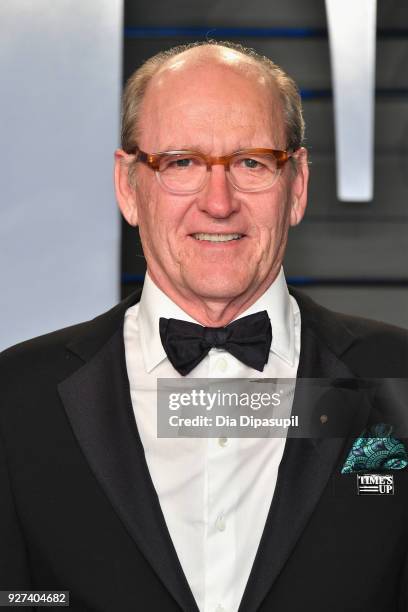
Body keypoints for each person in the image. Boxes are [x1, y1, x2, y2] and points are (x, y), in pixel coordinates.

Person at [1, 41, 407, 612]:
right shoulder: (17, 398)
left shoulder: (395, 380)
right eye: (181, 162)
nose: (219, 203)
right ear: (128, 186)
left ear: (298, 185)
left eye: (251, 163)